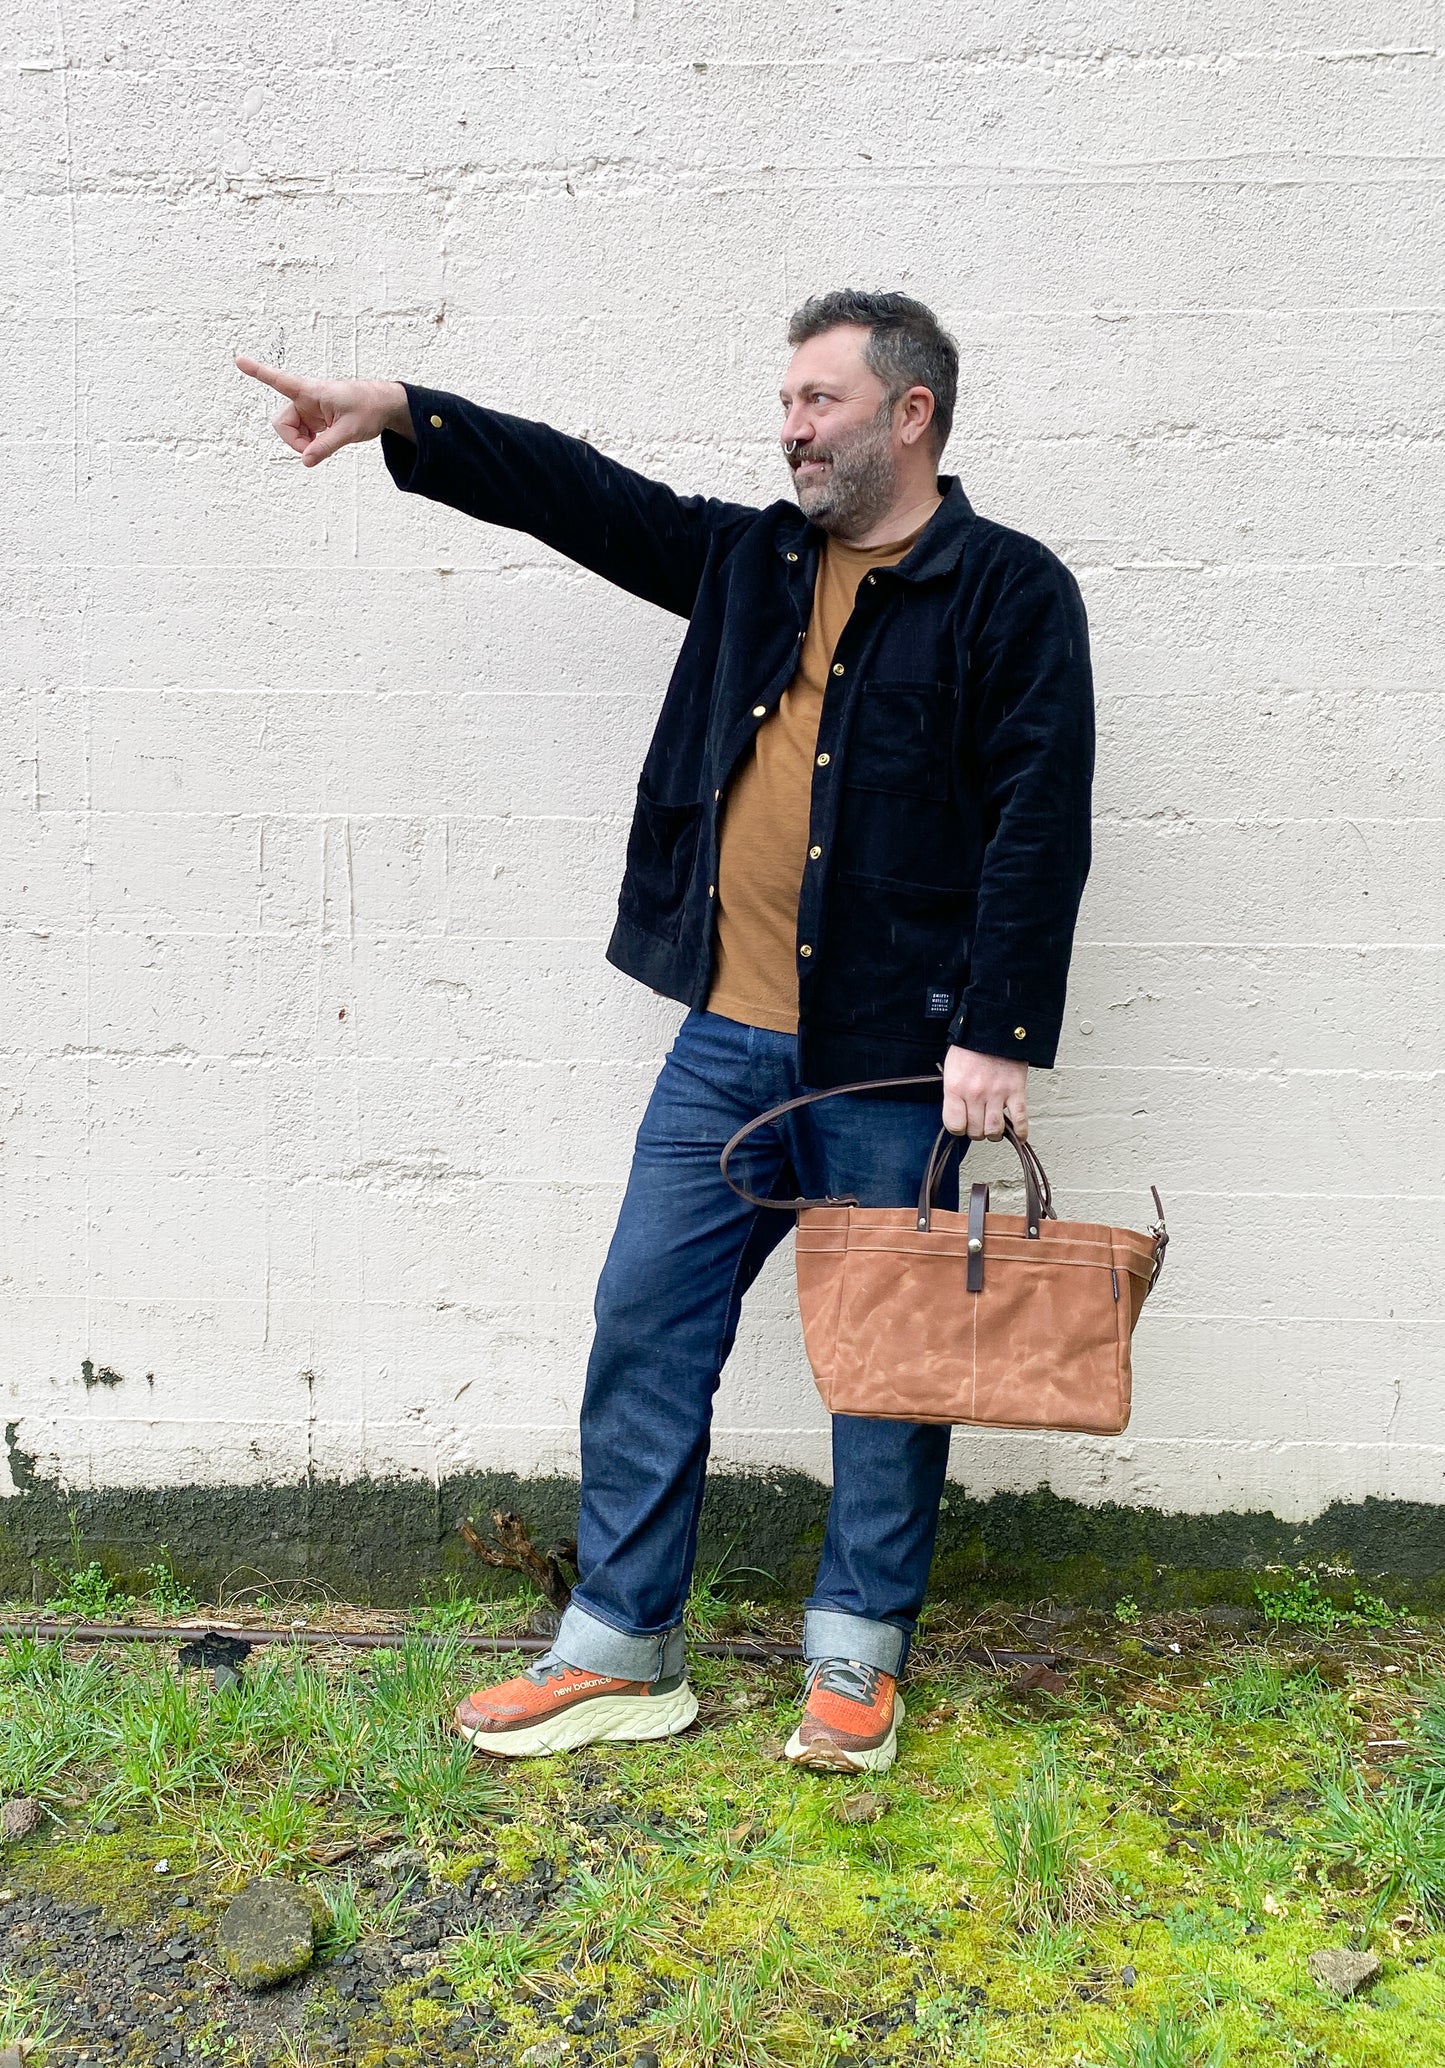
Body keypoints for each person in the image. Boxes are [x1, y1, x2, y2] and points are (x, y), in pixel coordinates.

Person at [236, 289, 1094, 1774]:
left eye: (819, 401)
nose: (789, 427)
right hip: (727, 1046)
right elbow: (586, 496)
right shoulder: (752, 558)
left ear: (911, 413)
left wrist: (998, 1033)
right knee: (646, 1322)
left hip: (897, 1058)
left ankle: (856, 1658)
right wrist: (406, 412)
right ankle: (623, 1647)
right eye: (784, 401)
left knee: (879, 1366)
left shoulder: (1008, 591)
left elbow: (1041, 818)